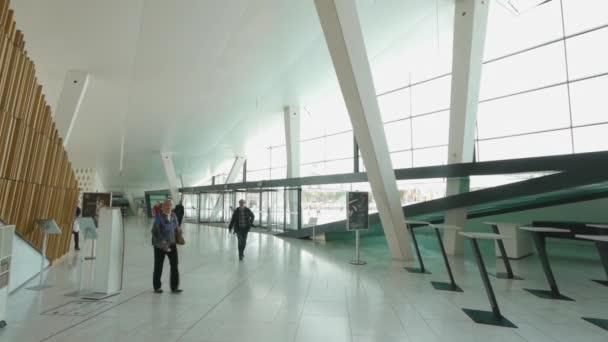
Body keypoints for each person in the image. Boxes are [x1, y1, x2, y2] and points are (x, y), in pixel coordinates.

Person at [151, 199, 182, 293]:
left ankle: (174, 287)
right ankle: (157, 287)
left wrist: (179, 231)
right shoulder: (159, 217)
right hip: (160, 245)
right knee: (158, 266)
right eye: (167, 205)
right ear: (163, 206)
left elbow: (176, 226)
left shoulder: (173, 215)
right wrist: (163, 242)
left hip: (171, 244)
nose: (169, 207)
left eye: (170, 205)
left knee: (174, 265)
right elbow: (154, 231)